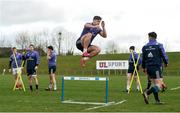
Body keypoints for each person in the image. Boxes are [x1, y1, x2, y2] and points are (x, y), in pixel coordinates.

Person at [142, 32, 168, 104]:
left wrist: (143, 67)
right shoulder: (159, 45)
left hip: (148, 68)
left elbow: (143, 58)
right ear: (155, 37)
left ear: (150, 37)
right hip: (156, 67)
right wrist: (166, 62)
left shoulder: (145, 47)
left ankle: (157, 101)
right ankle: (147, 93)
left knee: (154, 84)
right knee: (159, 85)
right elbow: (163, 54)